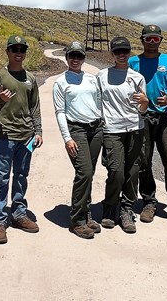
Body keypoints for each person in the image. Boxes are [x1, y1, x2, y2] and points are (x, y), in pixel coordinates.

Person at [0, 35, 43, 245]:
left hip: (25, 136)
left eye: (22, 49)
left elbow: (35, 107)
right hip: (4, 135)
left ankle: (18, 214)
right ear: (7, 51)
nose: (19, 52)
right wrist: (1, 100)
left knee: (21, 176)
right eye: (14, 49)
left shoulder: (31, 78)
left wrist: (38, 131)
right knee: (1, 178)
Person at [128, 25, 167, 228]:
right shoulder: (133, 62)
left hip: (164, 118)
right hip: (141, 118)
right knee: (144, 162)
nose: (152, 43)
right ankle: (149, 202)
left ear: (161, 40)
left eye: (156, 39)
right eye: (148, 39)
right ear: (142, 40)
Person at [97, 36, 149, 234]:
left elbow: (143, 109)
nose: (121, 55)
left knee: (132, 172)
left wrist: (145, 101)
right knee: (116, 171)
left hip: (135, 129)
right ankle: (110, 207)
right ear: (112, 54)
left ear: (129, 53)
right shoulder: (102, 76)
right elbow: (96, 102)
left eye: (125, 51)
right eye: (117, 51)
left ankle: (127, 209)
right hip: (112, 130)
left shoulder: (137, 77)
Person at [53, 42, 103, 239]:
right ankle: (77, 221)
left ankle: (86, 212)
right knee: (84, 171)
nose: (75, 59)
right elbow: (60, 111)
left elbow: (99, 102)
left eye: (79, 56)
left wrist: (102, 123)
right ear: (66, 57)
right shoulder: (61, 82)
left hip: (95, 128)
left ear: (84, 58)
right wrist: (67, 138)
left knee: (89, 173)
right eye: (72, 55)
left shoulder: (91, 79)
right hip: (76, 129)